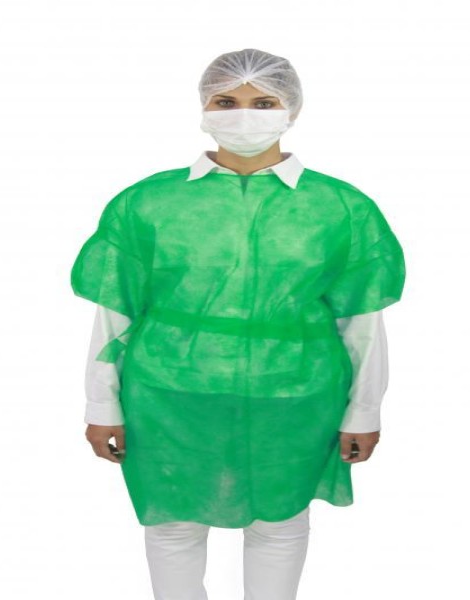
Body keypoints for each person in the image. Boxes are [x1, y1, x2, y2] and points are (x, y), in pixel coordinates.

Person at [70, 48, 406, 600]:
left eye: (263, 102)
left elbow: (361, 322)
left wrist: (364, 409)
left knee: (279, 523)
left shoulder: (340, 207)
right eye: (226, 101)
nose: (244, 114)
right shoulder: (149, 202)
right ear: (204, 106)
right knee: (173, 522)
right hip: (168, 396)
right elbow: (116, 312)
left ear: (291, 108)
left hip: (295, 397)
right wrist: (100, 403)